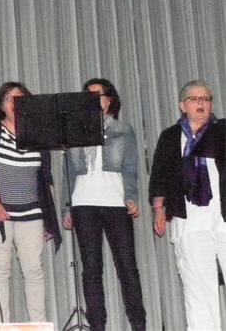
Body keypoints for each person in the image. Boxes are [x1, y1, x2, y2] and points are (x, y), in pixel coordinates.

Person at [62, 78, 146, 331]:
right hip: (83, 203)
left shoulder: (123, 130)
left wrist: (131, 197)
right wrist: (66, 207)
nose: (92, 100)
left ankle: (139, 324)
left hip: (116, 203)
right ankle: (98, 325)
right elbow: (68, 172)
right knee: (91, 269)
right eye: (87, 95)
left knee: (127, 267)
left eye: (97, 95)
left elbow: (130, 168)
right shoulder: (74, 131)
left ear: (109, 100)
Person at [0, 81, 61, 323]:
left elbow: (46, 177)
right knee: (0, 270)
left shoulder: (37, 133)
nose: (14, 103)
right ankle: (2, 326)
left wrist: (49, 217)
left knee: (33, 270)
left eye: (19, 98)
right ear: (1, 105)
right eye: (9, 99)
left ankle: (38, 325)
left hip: (32, 211)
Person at [150, 80, 226, 331]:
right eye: (195, 99)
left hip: (223, 217)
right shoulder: (170, 136)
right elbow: (159, 175)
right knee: (198, 288)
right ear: (183, 105)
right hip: (189, 221)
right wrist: (158, 209)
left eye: (206, 98)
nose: (202, 103)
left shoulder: (222, 130)